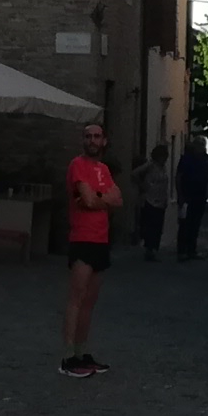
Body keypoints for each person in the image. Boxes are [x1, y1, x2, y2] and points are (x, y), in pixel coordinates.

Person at [61, 120, 120, 376]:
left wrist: (96, 198)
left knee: (89, 302)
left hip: (101, 239)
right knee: (77, 298)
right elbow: (86, 199)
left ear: (104, 141)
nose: (92, 141)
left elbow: (118, 199)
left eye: (96, 136)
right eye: (88, 136)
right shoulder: (78, 165)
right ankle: (67, 357)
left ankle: (82, 352)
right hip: (82, 238)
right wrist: (101, 198)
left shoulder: (103, 169)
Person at [173, 135, 208, 261]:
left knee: (195, 224)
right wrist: (180, 195)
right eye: (199, 145)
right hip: (187, 196)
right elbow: (179, 177)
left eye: (202, 145)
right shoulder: (186, 159)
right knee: (185, 224)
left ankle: (191, 250)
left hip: (200, 196)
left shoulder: (206, 159)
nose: (201, 147)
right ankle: (182, 251)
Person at [134, 146, 168, 262]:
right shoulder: (150, 165)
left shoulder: (163, 168)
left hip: (161, 200)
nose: (164, 159)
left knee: (158, 227)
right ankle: (149, 250)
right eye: (162, 156)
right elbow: (135, 173)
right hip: (150, 200)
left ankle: (153, 249)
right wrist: (142, 186)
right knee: (150, 226)